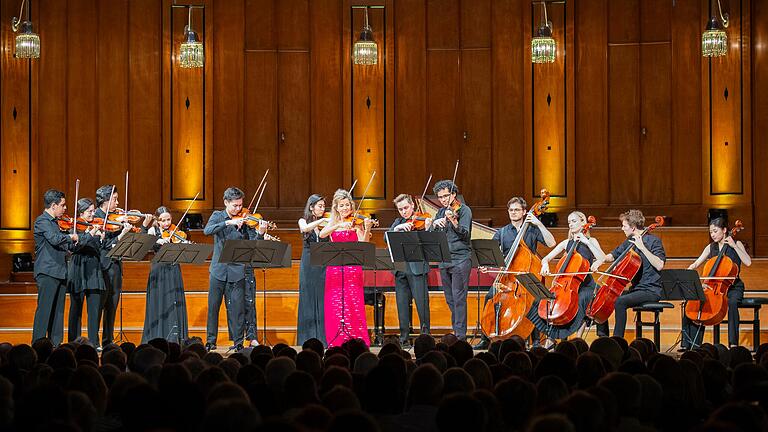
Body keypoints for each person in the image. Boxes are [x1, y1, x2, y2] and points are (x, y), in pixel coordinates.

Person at [474, 197, 556, 350]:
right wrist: (487, 265)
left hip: (526, 275)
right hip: (507, 276)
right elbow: (493, 254)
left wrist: (538, 223)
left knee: (535, 301)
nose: (513, 212)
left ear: (525, 212)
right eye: (511, 210)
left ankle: (536, 339)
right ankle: (485, 338)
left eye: (517, 210)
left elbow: (552, 243)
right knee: (489, 296)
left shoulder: (532, 229)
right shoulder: (503, 232)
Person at [203, 187, 266, 352]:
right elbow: (207, 231)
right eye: (235, 206)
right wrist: (228, 222)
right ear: (226, 203)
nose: (239, 209)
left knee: (237, 309)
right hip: (218, 270)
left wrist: (260, 232)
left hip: (237, 271)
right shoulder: (218, 216)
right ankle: (211, 341)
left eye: (240, 205)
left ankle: (238, 342)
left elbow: (253, 243)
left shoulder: (245, 222)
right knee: (213, 307)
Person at [531, 211, 607, 345]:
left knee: (582, 298)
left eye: (574, 221)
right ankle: (551, 338)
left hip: (586, 285)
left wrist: (586, 242)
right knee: (550, 302)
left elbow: (602, 258)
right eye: (569, 222)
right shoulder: (566, 243)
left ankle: (578, 340)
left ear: (583, 222)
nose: (570, 224)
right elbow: (546, 258)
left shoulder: (591, 241)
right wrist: (545, 264)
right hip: (566, 286)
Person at [589, 209, 666, 338]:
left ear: (633, 227)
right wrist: (600, 261)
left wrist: (642, 247)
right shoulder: (630, 241)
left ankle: (617, 340)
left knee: (620, 301)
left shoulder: (654, 241)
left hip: (650, 290)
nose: (622, 229)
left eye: (624, 226)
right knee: (601, 295)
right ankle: (603, 337)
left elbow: (659, 265)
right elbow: (612, 256)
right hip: (636, 289)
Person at [94, 185, 152, 346]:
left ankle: (108, 340)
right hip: (101, 267)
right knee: (99, 307)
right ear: (105, 201)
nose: (118, 203)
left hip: (115, 267)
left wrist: (141, 227)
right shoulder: (96, 217)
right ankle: (94, 341)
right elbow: (103, 245)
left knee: (112, 306)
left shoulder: (116, 217)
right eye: (114, 199)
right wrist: (121, 234)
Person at [681, 217, 752, 349]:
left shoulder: (737, 244)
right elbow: (697, 262)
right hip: (713, 286)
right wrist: (688, 270)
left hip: (733, 287)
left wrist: (734, 246)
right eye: (711, 232)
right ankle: (692, 345)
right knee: (697, 301)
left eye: (715, 231)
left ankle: (733, 344)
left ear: (724, 230)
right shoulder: (710, 247)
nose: (712, 234)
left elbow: (748, 262)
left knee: (732, 303)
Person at [319, 189, 375, 347]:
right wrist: (338, 224)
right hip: (335, 269)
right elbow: (322, 234)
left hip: (352, 269)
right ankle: (337, 338)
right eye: (341, 205)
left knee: (353, 303)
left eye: (347, 205)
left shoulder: (356, 223)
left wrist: (367, 228)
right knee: (335, 304)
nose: (345, 208)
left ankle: (355, 338)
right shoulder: (332, 223)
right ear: (336, 207)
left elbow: (364, 244)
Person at [32, 189, 78, 345]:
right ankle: (38, 346)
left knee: (58, 313)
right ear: (53, 205)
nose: (65, 209)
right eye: (63, 205)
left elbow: (62, 245)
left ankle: (55, 347)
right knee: (44, 311)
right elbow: (54, 239)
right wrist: (71, 236)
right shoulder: (42, 221)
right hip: (47, 271)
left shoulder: (57, 223)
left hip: (60, 271)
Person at [429, 180, 472, 340]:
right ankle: (457, 331)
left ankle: (460, 337)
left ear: (454, 194)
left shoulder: (464, 210)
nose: (443, 200)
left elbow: (465, 234)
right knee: (450, 299)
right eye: (440, 197)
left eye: (446, 196)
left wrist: (454, 222)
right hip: (444, 259)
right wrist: (434, 224)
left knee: (459, 299)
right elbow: (433, 236)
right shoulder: (441, 212)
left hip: (460, 259)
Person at [140, 207, 189, 344]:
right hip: (159, 269)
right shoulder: (153, 231)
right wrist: (156, 241)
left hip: (173, 269)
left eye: (168, 220)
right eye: (163, 220)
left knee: (174, 300)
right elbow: (143, 244)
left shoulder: (176, 232)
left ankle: (175, 337)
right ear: (157, 220)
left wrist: (184, 244)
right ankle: (157, 336)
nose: (167, 223)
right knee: (159, 302)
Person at [389, 194, 432, 349]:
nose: (404, 212)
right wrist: (397, 229)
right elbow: (389, 239)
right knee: (402, 304)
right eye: (400, 209)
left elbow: (431, 242)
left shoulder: (422, 220)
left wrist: (428, 227)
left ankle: (425, 336)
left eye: (406, 208)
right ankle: (404, 337)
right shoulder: (398, 222)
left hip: (417, 268)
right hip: (400, 269)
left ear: (413, 205)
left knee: (422, 304)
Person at [67, 198, 106, 347]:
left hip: (94, 268)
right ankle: (73, 342)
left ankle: (94, 343)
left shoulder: (96, 226)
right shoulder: (74, 227)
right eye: (89, 211)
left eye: (93, 210)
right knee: (75, 308)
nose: (93, 213)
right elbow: (75, 247)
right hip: (78, 268)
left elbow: (98, 248)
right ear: (81, 212)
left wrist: (100, 239)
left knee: (94, 309)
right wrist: (90, 235)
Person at [297, 194, 330, 346]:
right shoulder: (303, 221)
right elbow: (304, 228)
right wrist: (321, 221)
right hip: (308, 262)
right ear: (311, 207)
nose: (323, 209)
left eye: (324, 206)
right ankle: (307, 338)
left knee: (323, 298)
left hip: (323, 261)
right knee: (308, 298)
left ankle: (323, 338)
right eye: (320, 206)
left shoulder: (326, 223)